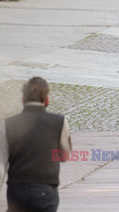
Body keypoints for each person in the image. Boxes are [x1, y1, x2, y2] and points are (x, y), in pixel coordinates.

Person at [0, 77, 72, 212]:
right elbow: (64, 156)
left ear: (22, 99)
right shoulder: (59, 122)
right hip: (45, 191)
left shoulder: (9, 124)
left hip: (17, 191)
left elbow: (1, 164)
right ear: (47, 99)